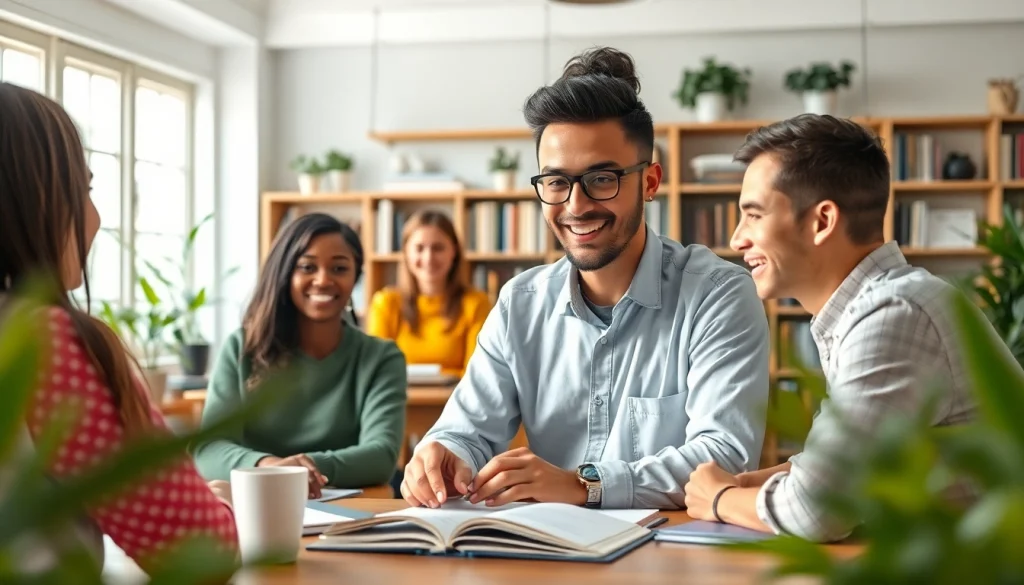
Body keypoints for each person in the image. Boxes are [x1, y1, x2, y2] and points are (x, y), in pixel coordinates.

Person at [400, 47, 770, 510]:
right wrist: (443, 453)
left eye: (601, 178)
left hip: (671, 547)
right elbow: (465, 431)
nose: (575, 206)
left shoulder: (718, 295)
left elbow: (724, 456)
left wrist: (585, 485)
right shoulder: (520, 303)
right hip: (549, 545)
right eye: (556, 182)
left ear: (650, 182)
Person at [683, 114, 1002, 542]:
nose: (737, 239)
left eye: (754, 215)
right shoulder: (873, 308)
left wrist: (719, 498)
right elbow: (837, 465)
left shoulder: (893, 314)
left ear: (822, 221)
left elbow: (818, 510)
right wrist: (748, 485)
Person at [0, 82, 237, 572]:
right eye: (82, 190)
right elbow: (200, 553)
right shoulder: (44, 343)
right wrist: (215, 507)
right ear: (29, 198)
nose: (96, 217)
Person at [192, 213, 407, 496]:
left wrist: (301, 470)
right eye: (307, 267)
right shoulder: (242, 348)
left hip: (350, 510)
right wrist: (269, 467)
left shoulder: (381, 357)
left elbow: (381, 455)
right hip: (257, 501)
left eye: (339, 268)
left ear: (356, 276)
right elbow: (209, 449)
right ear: (284, 273)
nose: (323, 280)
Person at [367, 210, 491, 378]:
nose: (428, 258)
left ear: (454, 251)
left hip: (456, 395)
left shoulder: (476, 303)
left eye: (438, 248)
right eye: (419, 248)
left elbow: (476, 375)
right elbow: (377, 371)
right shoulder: (386, 303)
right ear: (406, 252)